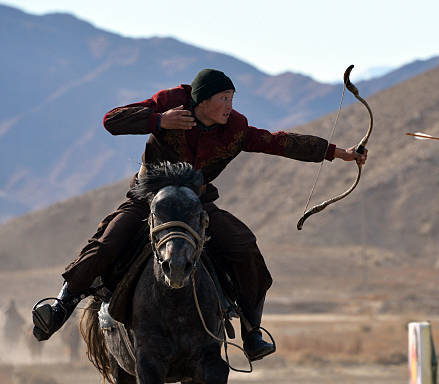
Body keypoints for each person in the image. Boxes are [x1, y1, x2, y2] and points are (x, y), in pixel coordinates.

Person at [32, 69, 367, 360]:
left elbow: (275, 141)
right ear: (202, 99)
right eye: (224, 98)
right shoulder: (171, 102)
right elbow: (111, 120)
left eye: (233, 98)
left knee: (244, 246)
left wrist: (338, 153)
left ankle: (251, 330)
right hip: (149, 197)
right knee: (108, 242)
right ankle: (61, 306)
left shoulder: (234, 127)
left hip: (196, 202)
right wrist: (158, 120)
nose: (230, 106)